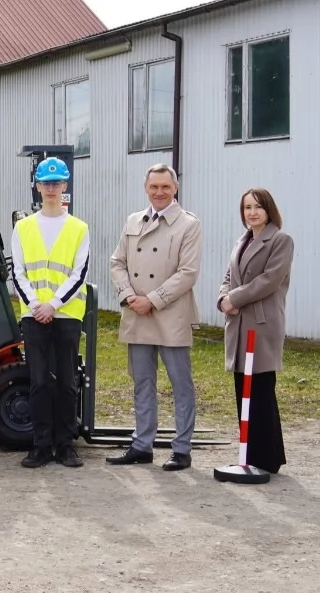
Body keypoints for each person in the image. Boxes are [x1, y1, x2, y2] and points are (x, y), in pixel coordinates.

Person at [108, 163, 202, 471]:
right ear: (146, 188)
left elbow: (188, 273)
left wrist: (153, 299)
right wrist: (129, 296)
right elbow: (117, 262)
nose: (159, 192)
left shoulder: (188, 224)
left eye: (165, 186)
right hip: (138, 313)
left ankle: (182, 449)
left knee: (180, 384)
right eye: (154, 187)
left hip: (170, 314)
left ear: (175, 188)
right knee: (142, 382)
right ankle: (141, 444)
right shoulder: (134, 220)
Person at [10, 158, 90, 468]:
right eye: (46, 183)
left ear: (65, 186)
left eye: (57, 183)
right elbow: (18, 272)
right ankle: (40, 445)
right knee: (39, 381)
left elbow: (79, 272)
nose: (52, 188)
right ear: (38, 186)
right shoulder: (24, 227)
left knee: (67, 382)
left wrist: (53, 305)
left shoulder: (78, 228)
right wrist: (35, 305)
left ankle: (66, 445)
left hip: (66, 315)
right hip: (34, 315)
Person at [218, 188, 293, 474]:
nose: (252, 212)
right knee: (243, 388)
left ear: (269, 209)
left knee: (261, 390)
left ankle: (267, 459)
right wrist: (223, 298)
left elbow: (269, 280)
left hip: (261, 325)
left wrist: (234, 299)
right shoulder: (242, 240)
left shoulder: (281, 240)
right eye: (247, 207)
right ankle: (251, 455)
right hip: (238, 323)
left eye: (258, 207)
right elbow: (228, 276)